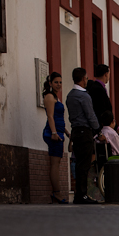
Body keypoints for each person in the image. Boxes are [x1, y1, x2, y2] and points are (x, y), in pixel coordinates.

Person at [66, 67, 105, 204]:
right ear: (83, 79)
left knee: (78, 164)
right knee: (84, 165)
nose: (87, 80)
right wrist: (99, 132)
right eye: (87, 78)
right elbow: (91, 116)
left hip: (76, 131)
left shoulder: (70, 95)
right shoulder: (84, 96)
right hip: (85, 132)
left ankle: (79, 193)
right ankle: (82, 195)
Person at [42, 72, 70, 203]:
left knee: (57, 163)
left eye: (60, 82)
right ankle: (56, 193)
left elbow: (59, 119)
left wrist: (67, 133)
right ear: (50, 83)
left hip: (58, 133)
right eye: (56, 82)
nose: (59, 85)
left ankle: (56, 193)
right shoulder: (49, 97)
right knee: (54, 164)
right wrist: (54, 133)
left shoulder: (56, 98)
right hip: (53, 134)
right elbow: (50, 116)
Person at [86, 64, 114, 129]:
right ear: (106, 74)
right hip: (101, 126)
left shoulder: (97, 87)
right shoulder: (98, 89)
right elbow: (100, 109)